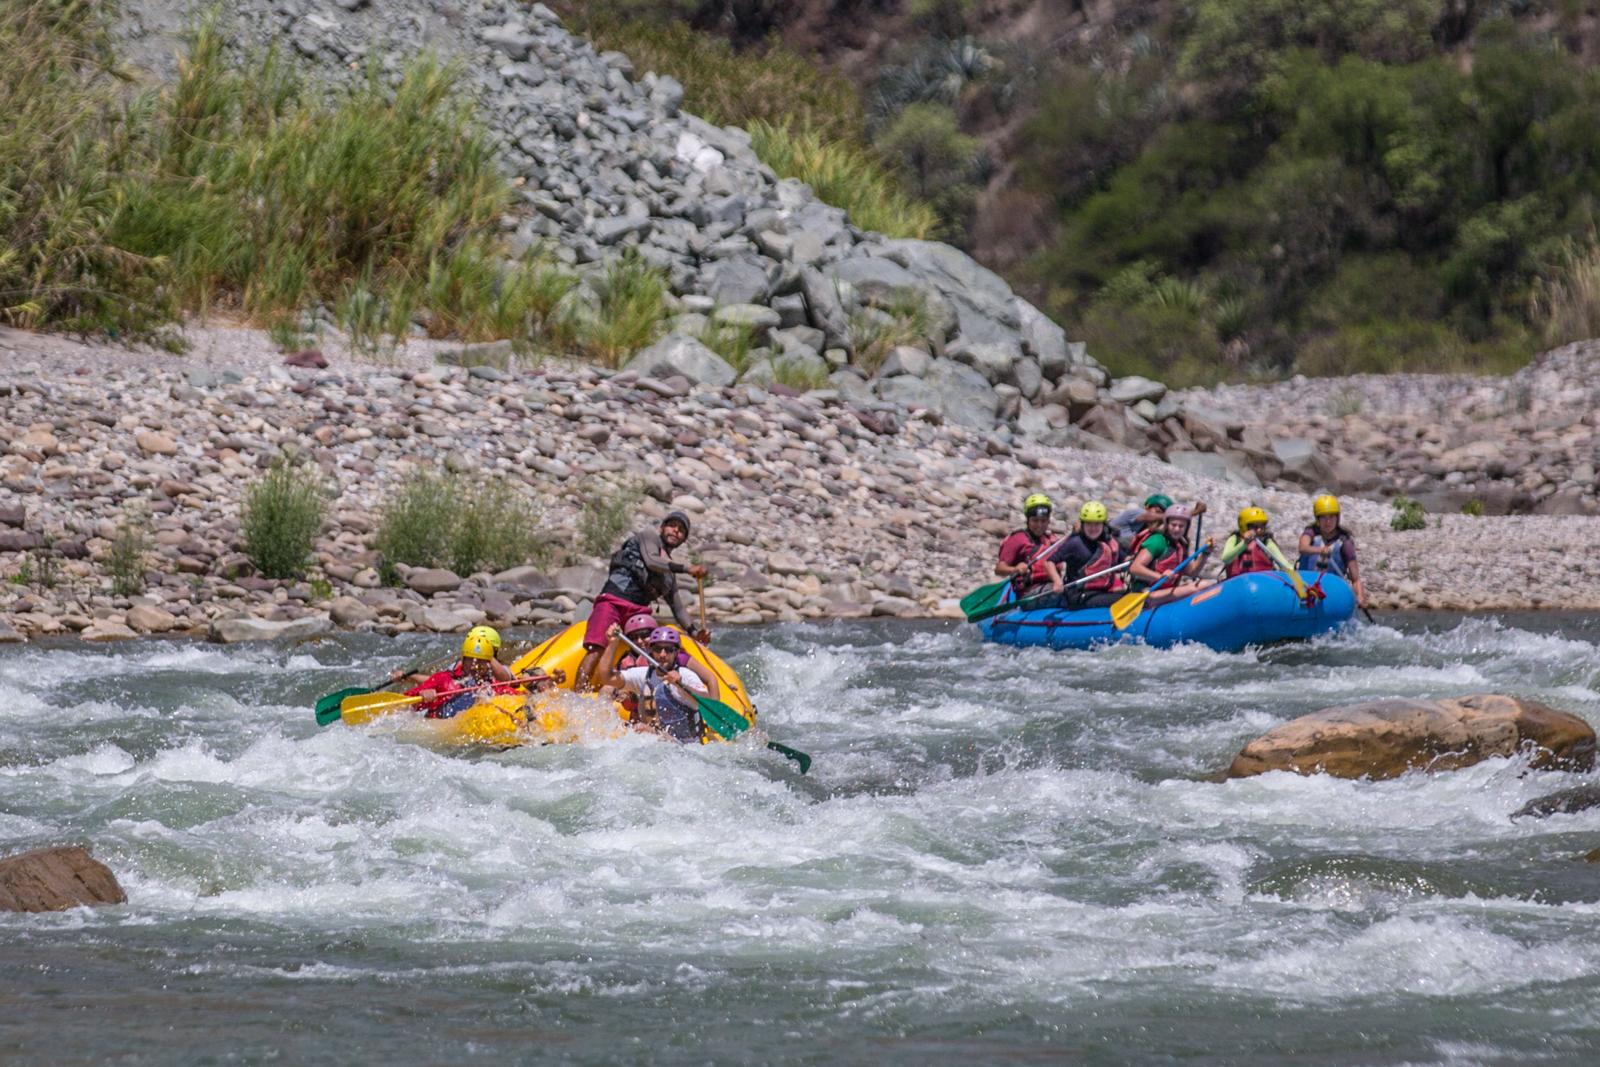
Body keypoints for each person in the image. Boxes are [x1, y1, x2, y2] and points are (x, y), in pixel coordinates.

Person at [576, 511, 710, 690]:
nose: (675, 531)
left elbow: (678, 608)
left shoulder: (669, 575)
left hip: (638, 614)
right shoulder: (648, 538)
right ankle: (578, 694)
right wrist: (687, 568)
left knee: (660, 647)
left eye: (681, 530)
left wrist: (694, 632)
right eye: (672, 526)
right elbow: (652, 561)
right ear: (662, 528)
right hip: (613, 602)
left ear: (684, 538)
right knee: (597, 650)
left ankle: (654, 697)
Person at [403, 628, 531, 719]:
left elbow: (520, 696)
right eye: (471, 660)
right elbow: (406, 703)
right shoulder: (444, 679)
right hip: (444, 727)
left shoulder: (492, 683)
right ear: (463, 659)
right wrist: (423, 695)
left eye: (483, 661)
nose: (476, 666)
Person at [615, 627, 711, 743]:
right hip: (660, 740)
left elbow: (707, 699)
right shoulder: (645, 674)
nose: (662, 654)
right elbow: (608, 677)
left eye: (669, 650)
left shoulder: (685, 674)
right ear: (651, 651)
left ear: (676, 652)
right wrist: (612, 644)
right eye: (657, 649)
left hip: (685, 743)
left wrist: (680, 684)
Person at [1044, 501, 1126, 609]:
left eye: (1097, 524)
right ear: (1083, 524)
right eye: (1089, 524)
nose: (1093, 528)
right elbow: (1049, 561)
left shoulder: (1109, 542)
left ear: (1103, 525)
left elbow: (1125, 559)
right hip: (1078, 595)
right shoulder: (1075, 543)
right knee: (1122, 599)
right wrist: (1057, 581)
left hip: (1102, 590)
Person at [1128, 505, 1214, 604]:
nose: (1177, 529)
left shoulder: (1181, 545)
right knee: (1203, 585)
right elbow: (1134, 568)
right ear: (1167, 524)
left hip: (1164, 591)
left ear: (1186, 528)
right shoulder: (1157, 541)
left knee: (1205, 585)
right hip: (1146, 593)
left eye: (1181, 526)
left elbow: (1192, 572)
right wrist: (1159, 577)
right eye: (1173, 525)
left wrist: (1205, 554)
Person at [1298, 494, 1368, 609]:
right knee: (1317, 541)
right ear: (1317, 519)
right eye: (1323, 517)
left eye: (1331, 517)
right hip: (1306, 586)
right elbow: (1302, 547)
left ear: (1337, 518)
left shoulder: (1345, 542)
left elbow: (1355, 578)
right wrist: (1320, 550)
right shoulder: (1310, 533)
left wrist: (1360, 596)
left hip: (1331, 591)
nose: (1328, 522)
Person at [995, 493, 1061, 599]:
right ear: (1028, 520)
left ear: (1048, 521)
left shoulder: (1052, 540)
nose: (1039, 525)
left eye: (1043, 521)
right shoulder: (1018, 539)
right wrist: (1015, 569)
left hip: (1052, 587)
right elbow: (999, 569)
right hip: (1029, 594)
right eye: (1035, 520)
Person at [1219, 506, 1293, 579]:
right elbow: (1226, 559)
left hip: (1263, 582)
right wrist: (1244, 543)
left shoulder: (1266, 541)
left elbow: (1283, 562)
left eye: (1262, 526)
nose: (1259, 530)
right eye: (1254, 527)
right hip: (1237, 582)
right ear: (1243, 526)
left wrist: (1292, 572)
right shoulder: (1234, 539)